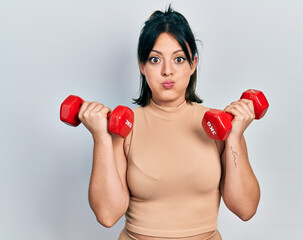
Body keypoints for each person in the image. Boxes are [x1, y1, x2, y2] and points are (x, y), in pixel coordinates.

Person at [78, 6, 260, 240]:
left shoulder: (218, 126)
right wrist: (101, 138)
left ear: (193, 64)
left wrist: (234, 137)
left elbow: (245, 209)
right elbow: (107, 215)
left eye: (178, 59)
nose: (167, 71)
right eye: (155, 59)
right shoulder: (124, 128)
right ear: (142, 66)